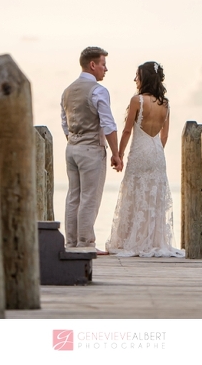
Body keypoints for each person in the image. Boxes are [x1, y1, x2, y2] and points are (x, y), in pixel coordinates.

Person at [105, 61, 185, 257]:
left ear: (145, 78)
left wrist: (119, 154)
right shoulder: (165, 103)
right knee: (153, 195)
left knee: (134, 191)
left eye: (138, 76)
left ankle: (132, 239)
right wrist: (156, 151)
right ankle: (152, 240)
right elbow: (165, 135)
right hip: (157, 152)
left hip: (140, 151)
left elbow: (127, 131)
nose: (135, 79)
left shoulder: (137, 100)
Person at [61, 46, 123, 255]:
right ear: (93, 65)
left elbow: (64, 123)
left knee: (73, 196)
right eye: (103, 64)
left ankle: (71, 243)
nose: (106, 69)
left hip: (72, 149)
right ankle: (86, 243)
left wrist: (74, 140)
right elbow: (108, 124)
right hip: (91, 150)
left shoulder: (67, 91)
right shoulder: (98, 90)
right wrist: (116, 153)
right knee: (90, 197)